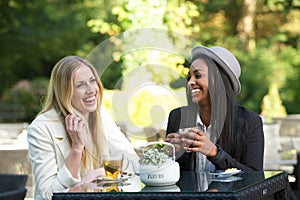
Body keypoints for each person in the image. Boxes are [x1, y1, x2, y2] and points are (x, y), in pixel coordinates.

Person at [27, 56, 139, 200]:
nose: (91, 90)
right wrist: (77, 148)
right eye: (80, 85)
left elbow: (133, 164)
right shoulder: (41, 128)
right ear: (64, 92)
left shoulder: (100, 115)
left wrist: (100, 173)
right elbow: (47, 196)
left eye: (92, 81)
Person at [165, 46, 264, 172]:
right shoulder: (177, 117)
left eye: (198, 75)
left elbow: (255, 178)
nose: (190, 82)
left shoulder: (249, 122)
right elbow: (169, 176)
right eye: (189, 76)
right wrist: (171, 154)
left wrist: (214, 153)